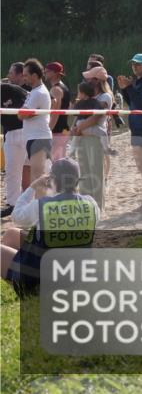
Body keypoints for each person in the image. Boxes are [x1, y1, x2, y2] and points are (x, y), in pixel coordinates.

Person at [1, 159, 99, 293]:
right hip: (77, 273)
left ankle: (22, 284)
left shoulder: (42, 205)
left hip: (46, 277)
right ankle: (17, 273)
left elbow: (16, 216)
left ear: (53, 181)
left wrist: (33, 186)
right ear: (77, 181)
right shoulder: (92, 204)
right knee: (11, 234)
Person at [117, 53, 142, 214]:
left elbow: (141, 103)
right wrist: (125, 88)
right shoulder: (140, 81)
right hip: (136, 128)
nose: (135, 67)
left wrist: (128, 87)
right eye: (133, 64)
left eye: (138, 64)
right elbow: (132, 103)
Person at [67, 81, 106, 209]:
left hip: (91, 138)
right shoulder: (95, 103)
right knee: (86, 172)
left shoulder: (89, 103)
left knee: (92, 171)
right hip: (84, 138)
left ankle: (95, 206)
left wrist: (78, 128)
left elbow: (74, 113)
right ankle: (91, 205)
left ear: (82, 93)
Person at [19, 59, 53, 187]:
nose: (24, 78)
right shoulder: (34, 91)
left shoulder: (38, 93)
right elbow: (23, 114)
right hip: (34, 138)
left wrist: (22, 112)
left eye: (26, 75)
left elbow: (22, 115)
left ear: (34, 75)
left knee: (39, 178)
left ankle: (41, 205)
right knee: (36, 177)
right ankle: (37, 204)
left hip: (39, 138)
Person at [2, 76, 29, 216]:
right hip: (10, 134)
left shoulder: (11, 88)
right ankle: (13, 204)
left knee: (32, 170)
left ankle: (32, 203)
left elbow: (33, 100)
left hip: (27, 131)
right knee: (11, 170)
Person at [43, 62, 70, 161]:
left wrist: (48, 130)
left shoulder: (55, 89)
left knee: (55, 163)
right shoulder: (65, 87)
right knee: (60, 160)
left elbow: (55, 112)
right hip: (64, 129)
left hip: (57, 131)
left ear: (55, 73)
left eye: (47, 71)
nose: (44, 73)